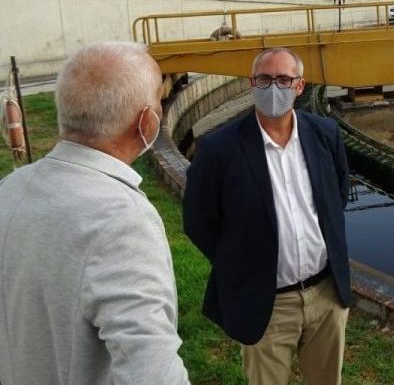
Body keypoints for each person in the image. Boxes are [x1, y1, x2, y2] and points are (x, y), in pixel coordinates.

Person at [0, 42, 189, 384]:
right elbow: (151, 371)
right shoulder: (122, 220)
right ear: (146, 122)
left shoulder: (10, 189)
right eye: (159, 102)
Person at [184, 47, 351, 385]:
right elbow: (198, 221)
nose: (274, 88)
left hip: (326, 295)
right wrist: (242, 263)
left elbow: (337, 197)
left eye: (284, 79)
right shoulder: (219, 149)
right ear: (251, 82)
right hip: (267, 303)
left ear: (300, 86)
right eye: (265, 79)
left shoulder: (325, 134)